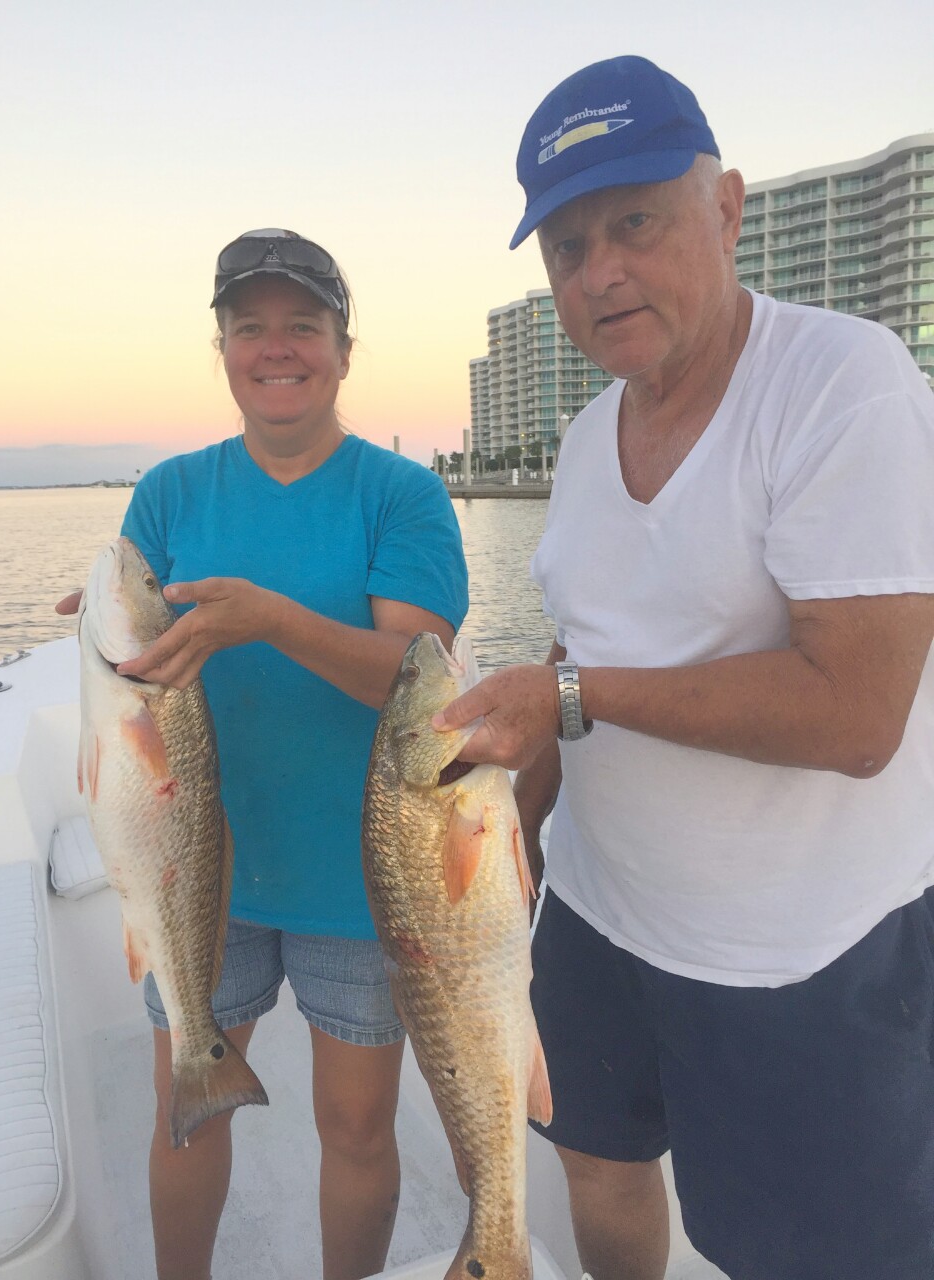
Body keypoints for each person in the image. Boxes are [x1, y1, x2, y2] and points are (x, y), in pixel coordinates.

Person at [432, 56, 934, 1280]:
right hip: (602, 912)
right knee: (596, 1161)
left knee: (801, 1247)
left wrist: (568, 697)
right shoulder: (589, 432)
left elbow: (859, 711)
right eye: (565, 246)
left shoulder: (843, 383)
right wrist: (520, 803)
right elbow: (583, 650)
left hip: (794, 949)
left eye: (635, 221)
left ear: (726, 208)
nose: (599, 270)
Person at [59, 228, 468, 1280]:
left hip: (359, 869)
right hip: (196, 865)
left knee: (359, 1129)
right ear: (223, 346)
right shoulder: (173, 493)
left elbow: (417, 683)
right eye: (251, 328)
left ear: (342, 345)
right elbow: (135, 656)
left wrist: (271, 617)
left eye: (303, 326)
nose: (276, 348)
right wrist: (99, 632)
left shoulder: (401, 494)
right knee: (187, 1106)